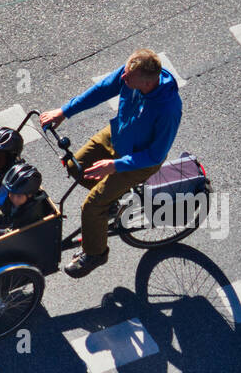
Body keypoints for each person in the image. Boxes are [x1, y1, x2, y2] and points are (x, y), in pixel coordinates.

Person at [39, 49, 182, 277]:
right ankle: (112, 205)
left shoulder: (167, 109)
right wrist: (64, 112)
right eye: (124, 73)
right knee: (75, 167)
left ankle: (96, 253)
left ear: (146, 82)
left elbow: (155, 155)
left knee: (92, 206)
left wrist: (115, 166)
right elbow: (101, 90)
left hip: (137, 161)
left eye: (127, 77)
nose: (122, 79)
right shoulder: (130, 75)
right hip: (118, 136)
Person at [0, 163, 52, 239]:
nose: (14, 199)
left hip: (24, 236)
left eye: (19, 196)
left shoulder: (31, 211)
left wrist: (0, 233)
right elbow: (2, 209)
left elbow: (18, 230)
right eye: (11, 194)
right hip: (10, 223)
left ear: (30, 195)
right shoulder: (14, 195)